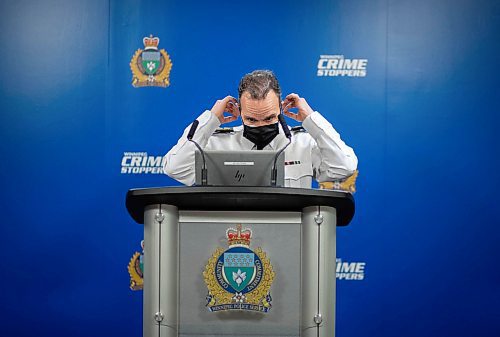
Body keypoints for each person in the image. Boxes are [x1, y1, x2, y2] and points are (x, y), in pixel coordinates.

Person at [163, 70, 357, 188]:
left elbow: (345, 167)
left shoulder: (302, 143)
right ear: (239, 110)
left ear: (281, 107)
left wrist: (311, 120)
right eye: (252, 119)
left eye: (270, 117)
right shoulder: (217, 144)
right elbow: (175, 168)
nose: (262, 125)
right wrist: (210, 120)